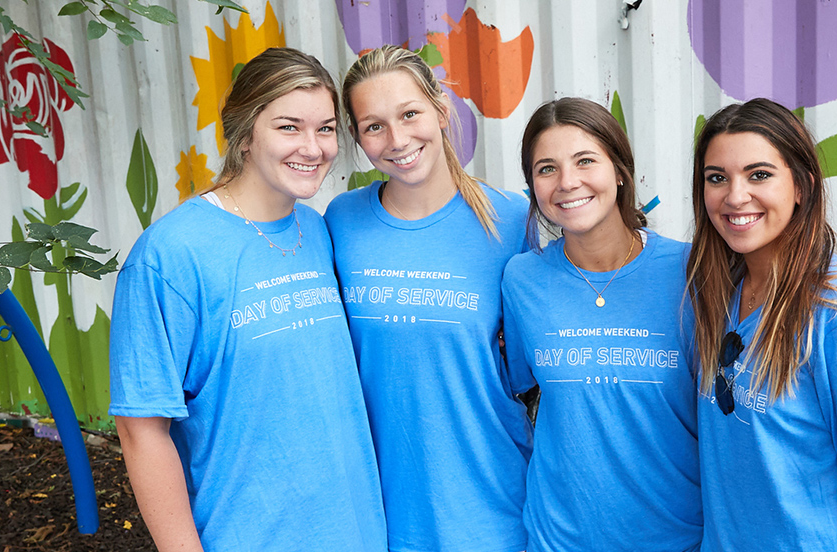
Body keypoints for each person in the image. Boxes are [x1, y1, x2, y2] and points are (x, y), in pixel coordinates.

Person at [108, 48, 385, 552]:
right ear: (243, 134)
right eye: (288, 127)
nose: (313, 147)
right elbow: (140, 431)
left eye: (325, 129)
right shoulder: (170, 255)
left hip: (355, 530)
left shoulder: (318, 231)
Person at [326, 45, 532, 552]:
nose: (397, 139)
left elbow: (535, 365)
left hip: (490, 504)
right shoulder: (340, 221)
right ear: (357, 137)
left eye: (410, 113)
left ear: (441, 111)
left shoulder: (509, 219)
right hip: (379, 508)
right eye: (373, 126)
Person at [687, 98, 837, 551]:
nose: (735, 196)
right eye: (717, 178)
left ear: (802, 186)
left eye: (759, 174)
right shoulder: (717, 291)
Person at [501, 97, 702, 552]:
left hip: (677, 538)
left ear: (619, 170)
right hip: (559, 539)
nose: (567, 182)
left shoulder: (691, 271)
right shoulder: (522, 279)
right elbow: (520, 392)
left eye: (585, 161)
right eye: (546, 168)